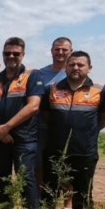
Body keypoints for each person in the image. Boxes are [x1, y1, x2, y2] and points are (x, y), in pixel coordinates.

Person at [42, 51, 105, 209]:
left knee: (83, 191)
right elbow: (45, 116)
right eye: (71, 64)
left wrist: (87, 133)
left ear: (89, 68)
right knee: (50, 189)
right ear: (66, 67)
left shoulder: (100, 90)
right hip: (55, 150)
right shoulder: (52, 89)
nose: (75, 68)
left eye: (80, 65)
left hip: (84, 151)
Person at [0, 37, 44, 209]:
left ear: (23, 55)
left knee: (26, 178)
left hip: (24, 139)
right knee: (1, 178)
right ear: (3, 54)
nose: (11, 56)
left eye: (16, 53)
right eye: (7, 53)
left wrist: (7, 127)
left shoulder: (32, 76)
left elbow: (33, 106)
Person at [37, 37, 73, 192]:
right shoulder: (40, 74)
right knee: (39, 164)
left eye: (64, 49)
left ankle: (68, 205)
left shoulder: (75, 72)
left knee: (66, 166)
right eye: (57, 49)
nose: (60, 52)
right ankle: (39, 200)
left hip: (67, 130)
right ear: (51, 51)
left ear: (70, 51)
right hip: (41, 128)